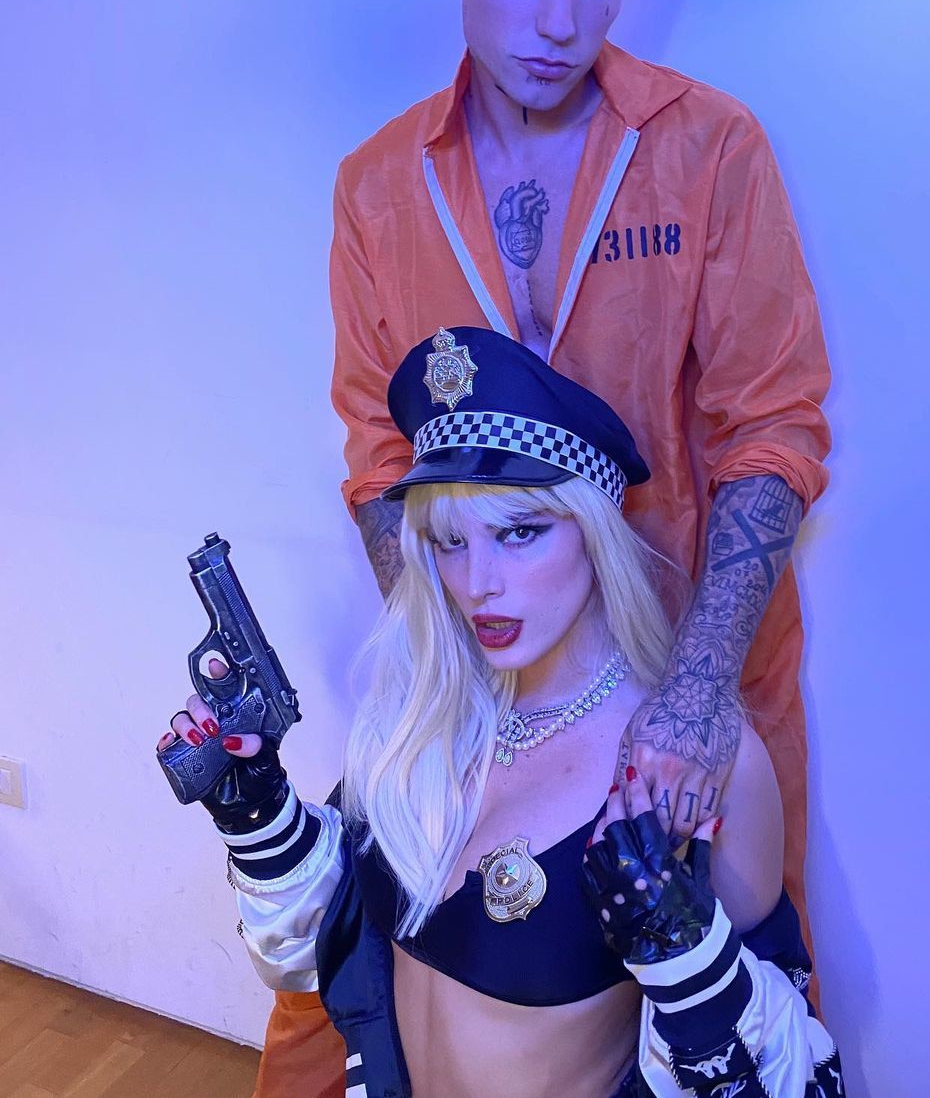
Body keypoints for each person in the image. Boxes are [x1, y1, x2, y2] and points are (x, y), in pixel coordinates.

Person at [279, 0, 832, 1095]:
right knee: (376, 992)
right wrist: (442, 674)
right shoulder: (376, 187)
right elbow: (381, 459)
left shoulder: (711, 150)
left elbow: (774, 430)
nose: (560, 20)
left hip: (681, 678)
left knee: (714, 1022)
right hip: (475, 676)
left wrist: (693, 699)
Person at [159, 329, 842, 1097]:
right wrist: (257, 813)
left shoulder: (700, 764)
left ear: (595, 534)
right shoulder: (421, 718)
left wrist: (689, 955)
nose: (478, 581)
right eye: (450, 542)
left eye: (520, 532)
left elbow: (783, 1074)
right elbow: (316, 954)